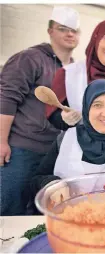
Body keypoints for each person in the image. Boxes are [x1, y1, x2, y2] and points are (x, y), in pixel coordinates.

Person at [0, 6, 80, 215]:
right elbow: (6, 98)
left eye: (74, 30)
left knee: (38, 213)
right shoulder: (29, 58)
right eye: (63, 28)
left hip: (53, 154)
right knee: (9, 209)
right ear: (50, 31)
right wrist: (1, 141)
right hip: (20, 151)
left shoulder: (74, 69)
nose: (70, 34)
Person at [29, 79, 105, 207]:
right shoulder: (66, 139)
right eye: (97, 105)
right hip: (67, 219)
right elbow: (35, 181)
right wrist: (52, 184)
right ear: (86, 109)